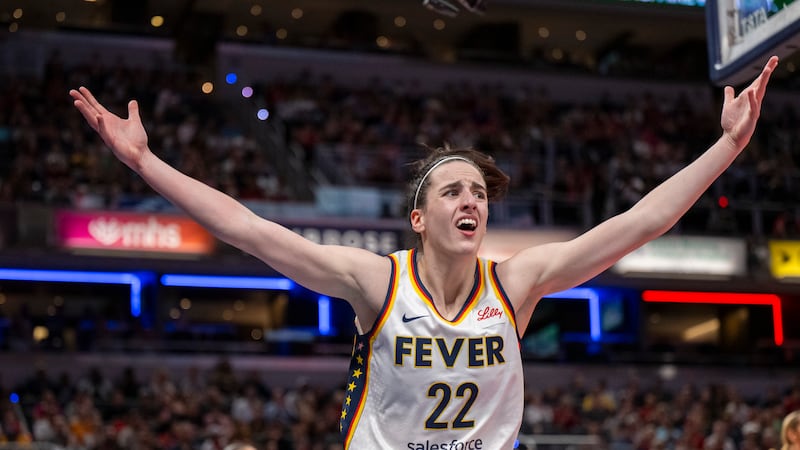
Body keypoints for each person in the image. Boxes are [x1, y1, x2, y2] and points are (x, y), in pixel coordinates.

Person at [69, 55, 779, 449]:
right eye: (453, 192)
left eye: (479, 192)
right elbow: (249, 228)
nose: (471, 200)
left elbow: (640, 222)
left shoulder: (519, 281)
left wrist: (727, 146)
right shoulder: (374, 282)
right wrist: (145, 165)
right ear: (419, 216)